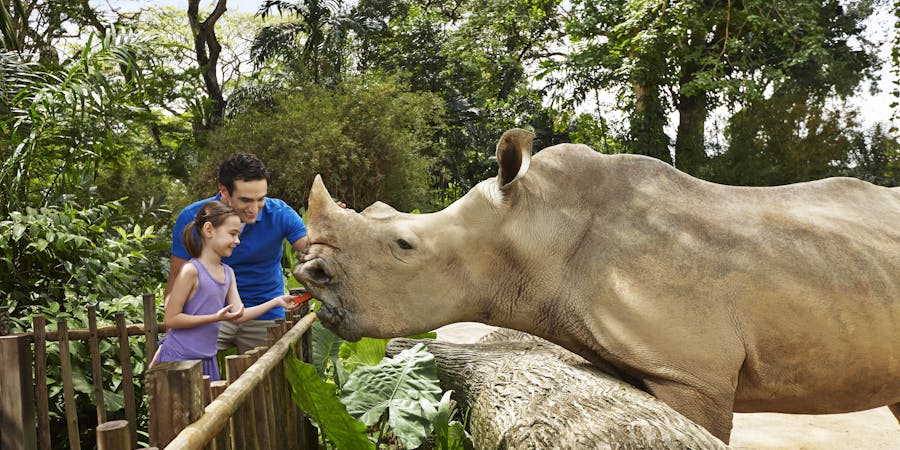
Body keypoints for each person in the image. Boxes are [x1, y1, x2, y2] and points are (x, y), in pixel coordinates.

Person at [166, 153, 308, 354]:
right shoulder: (192, 217)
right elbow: (175, 278)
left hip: (265, 314)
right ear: (224, 191)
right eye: (245, 200)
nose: (254, 209)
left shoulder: (280, 214)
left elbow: (312, 251)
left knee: (268, 382)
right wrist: (173, 329)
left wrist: (331, 226)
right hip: (210, 315)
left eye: (261, 199)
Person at [153, 201, 299, 380]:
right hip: (180, 359)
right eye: (232, 234)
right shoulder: (190, 271)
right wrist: (215, 318)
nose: (237, 241)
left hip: (207, 359)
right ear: (209, 230)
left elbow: (239, 314)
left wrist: (276, 302)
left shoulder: (228, 273)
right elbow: (172, 318)